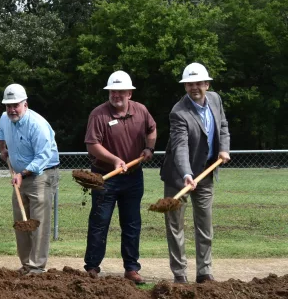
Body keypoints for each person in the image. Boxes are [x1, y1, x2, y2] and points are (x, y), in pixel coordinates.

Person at [160, 62, 231, 284]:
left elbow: (223, 127)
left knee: (205, 223)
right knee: (175, 225)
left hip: (206, 171)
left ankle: (204, 272)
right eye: (190, 84)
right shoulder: (178, 112)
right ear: (185, 87)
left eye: (199, 83)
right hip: (179, 176)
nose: (194, 87)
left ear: (207, 84)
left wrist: (224, 148)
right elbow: (180, 146)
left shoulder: (216, 100)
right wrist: (186, 174)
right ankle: (180, 274)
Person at [82, 71, 156, 284]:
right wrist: (115, 160)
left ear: (129, 93)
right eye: (113, 91)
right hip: (105, 177)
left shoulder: (141, 111)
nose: (116, 95)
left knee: (132, 223)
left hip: (133, 177)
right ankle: (92, 267)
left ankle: (131, 268)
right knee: (99, 221)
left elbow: (152, 129)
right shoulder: (99, 114)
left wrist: (149, 148)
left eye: (120, 91)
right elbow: (92, 144)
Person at [0, 83, 60, 275]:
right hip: (19, 175)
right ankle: (25, 264)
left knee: (37, 222)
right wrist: (3, 149)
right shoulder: (5, 118)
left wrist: (22, 174)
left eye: (15, 105)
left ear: (25, 104)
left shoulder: (37, 125)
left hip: (42, 174)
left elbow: (43, 156)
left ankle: (36, 267)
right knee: (21, 221)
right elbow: (0, 132)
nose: (11, 109)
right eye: (8, 105)